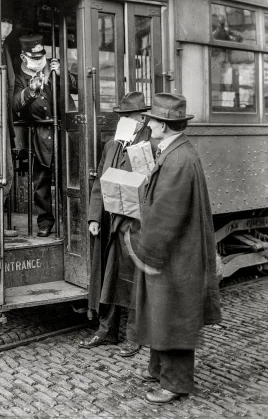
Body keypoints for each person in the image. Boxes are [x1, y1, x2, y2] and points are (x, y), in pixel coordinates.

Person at [131, 93, 222, 404]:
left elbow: (168, 212)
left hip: (174, 254)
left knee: (174, 316)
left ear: (165, 125)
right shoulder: (175, 152)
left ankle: (175, 383)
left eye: (152, 119)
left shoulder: (178, 158)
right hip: (176, 251)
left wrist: (148, 253)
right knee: (165, 312)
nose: (148, 123)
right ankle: (159, 369)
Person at [79, 92, 156, 356]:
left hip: (135, 224)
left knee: (134, 278)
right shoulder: (112, 144)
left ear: (142, 118)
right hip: (109, 223)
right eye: (121, 115)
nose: (122, 119)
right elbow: (100, 182)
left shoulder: (150, 145)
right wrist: (93, 216)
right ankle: (106, 330)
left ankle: (135, 336)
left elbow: (152, 186)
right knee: (108, 277)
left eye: (128, 116)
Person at [12, 34, 77, 237]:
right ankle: (45, 221)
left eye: (41, 57)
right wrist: (30, 92)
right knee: (41, 182)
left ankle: (71, 220)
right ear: (24, 57)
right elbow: (15, 105)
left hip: (64, 132)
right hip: (40, 134)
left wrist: (63, 75)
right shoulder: (20, 77)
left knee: (68, 178)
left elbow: (76, 88)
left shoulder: (53, 68)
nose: (39, 60)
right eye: (34, 57)